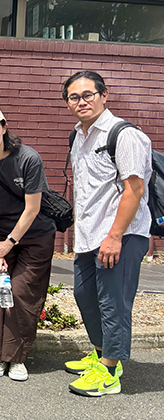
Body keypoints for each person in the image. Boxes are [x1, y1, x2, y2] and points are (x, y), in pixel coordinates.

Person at [62, 71, 151, 397]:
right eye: (74, 97)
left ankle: (110, 373)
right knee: (85, 296)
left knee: (113, 303)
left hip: (121, 236)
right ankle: (101, 355)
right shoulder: (79, 135)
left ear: (104, 95)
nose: (81, 101)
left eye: (88, 94)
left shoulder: (123, 135)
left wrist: (114, 236)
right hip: (90, 236)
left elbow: (134, 188)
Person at [0, 104, 56, 382]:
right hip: (1, 239)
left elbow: (32, 209)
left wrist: (9, 243)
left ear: (4, 128)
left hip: (34, 237)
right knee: (0, 293)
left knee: (21, 293)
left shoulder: (28, 158)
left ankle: (17, 359)